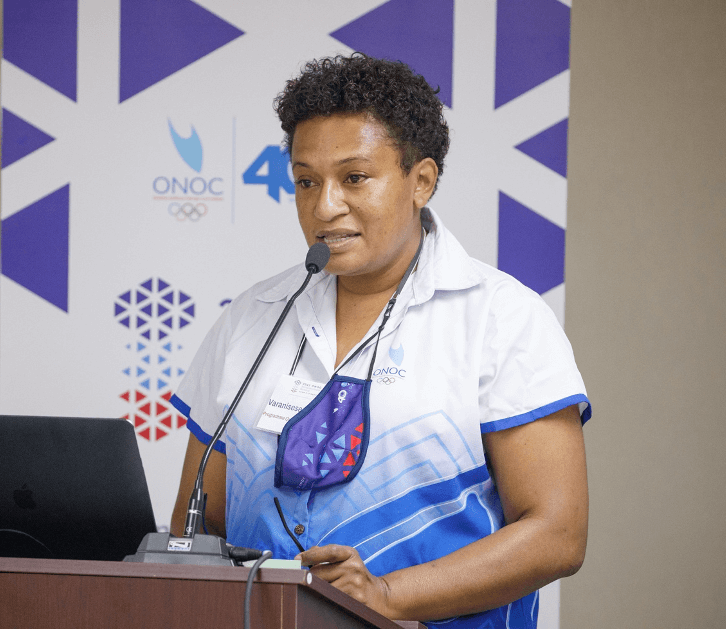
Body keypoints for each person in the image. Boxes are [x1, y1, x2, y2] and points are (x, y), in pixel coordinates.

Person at [170, 53, 590, 629]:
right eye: (306, 181)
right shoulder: (251, 317)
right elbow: (197, 526)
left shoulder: (502, 318)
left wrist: (388, 595)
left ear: (422, 181)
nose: (324, 206)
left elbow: (556, 534)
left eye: (354, 178)